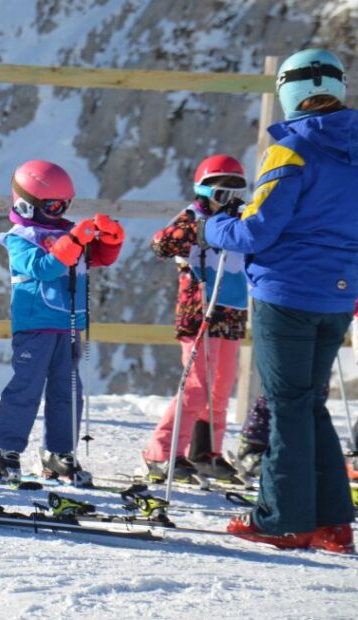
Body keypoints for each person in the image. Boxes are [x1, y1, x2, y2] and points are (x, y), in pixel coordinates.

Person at [199, 48, 357, 554]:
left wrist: (215, 225)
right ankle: (334, 522)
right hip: (339, 297)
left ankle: (282, 518)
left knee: (290, 405)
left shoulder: (291, 150)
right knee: (310, 403)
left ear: (288, 92)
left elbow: (257, 232)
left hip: (287, 292)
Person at [0, 160, 124, 486]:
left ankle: (59, 452)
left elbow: (100, 258)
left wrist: (111, 238)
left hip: (69, 325)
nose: (59, 211)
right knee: (27, 388)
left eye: (64, 205)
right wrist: (75, 240)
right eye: (52, 205)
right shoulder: (19, 239)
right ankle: (7, 450)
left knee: (68, 390)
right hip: (35, 324)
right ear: (26, 203)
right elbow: (45, 268)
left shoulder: (67, 232)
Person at [141, 155, 249, 483]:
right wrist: (197, 228)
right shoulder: (193, 218)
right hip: (200, 310)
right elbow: (161, 244)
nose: (227, 203)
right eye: (220, 195)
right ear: (203, 192)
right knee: (196, 386)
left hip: (232, 311)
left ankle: (205, 451)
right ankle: (162, 452)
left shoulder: (240, 222)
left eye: (234, 194)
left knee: (220, 387)